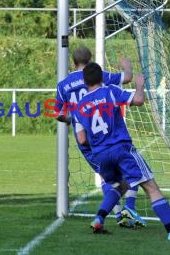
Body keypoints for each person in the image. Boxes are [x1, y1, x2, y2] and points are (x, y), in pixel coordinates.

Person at [72, 62, 170, 240]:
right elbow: (138, 100)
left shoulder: (79, 107)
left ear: (84, 81)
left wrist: (100, 145)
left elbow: (82, 139)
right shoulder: (110, 91)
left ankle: (99, 218)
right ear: (102, 77)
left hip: (100, 155)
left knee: (119, 186)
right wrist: (139, 85)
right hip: (121, 149)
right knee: (151, 187)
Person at [55, 46, 144, 228]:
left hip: (84, 140)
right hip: (104, 135)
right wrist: (127, 66)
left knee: (106, 178)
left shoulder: (63, 85)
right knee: (129, 172)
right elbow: (126, 78)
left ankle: (119, 215)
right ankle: (128, 210)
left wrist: (74, 118)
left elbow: (57, 113)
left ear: (73, 62)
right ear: (90, 60)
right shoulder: (96, 75)